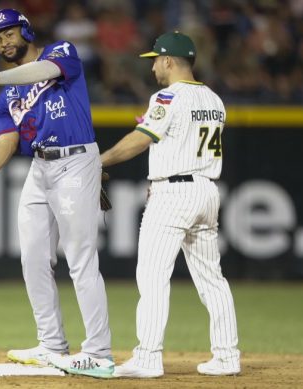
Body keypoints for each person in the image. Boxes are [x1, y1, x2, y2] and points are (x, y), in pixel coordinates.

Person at [0, 8, 114, 379]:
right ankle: (51, 344)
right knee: (33, 258)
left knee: (81, 259)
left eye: (8, 33)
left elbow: (43, 72)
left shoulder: (61, 52)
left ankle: (99, 352)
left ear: (25, 30)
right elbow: (5, 144)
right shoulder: (7, 97)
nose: (3, 42)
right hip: (41, 168)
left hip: (76, 160)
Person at [99, 32, 241, 378]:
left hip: (174, 193)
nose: (152, 68)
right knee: (212, 279)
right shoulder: (214, 98)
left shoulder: (167, 96)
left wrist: (99, 161)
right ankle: (227, 355)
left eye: (154, 61)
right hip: (207, 191)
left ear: (167, 60)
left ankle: (148, 357)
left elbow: (140, 139)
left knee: (152, 276)